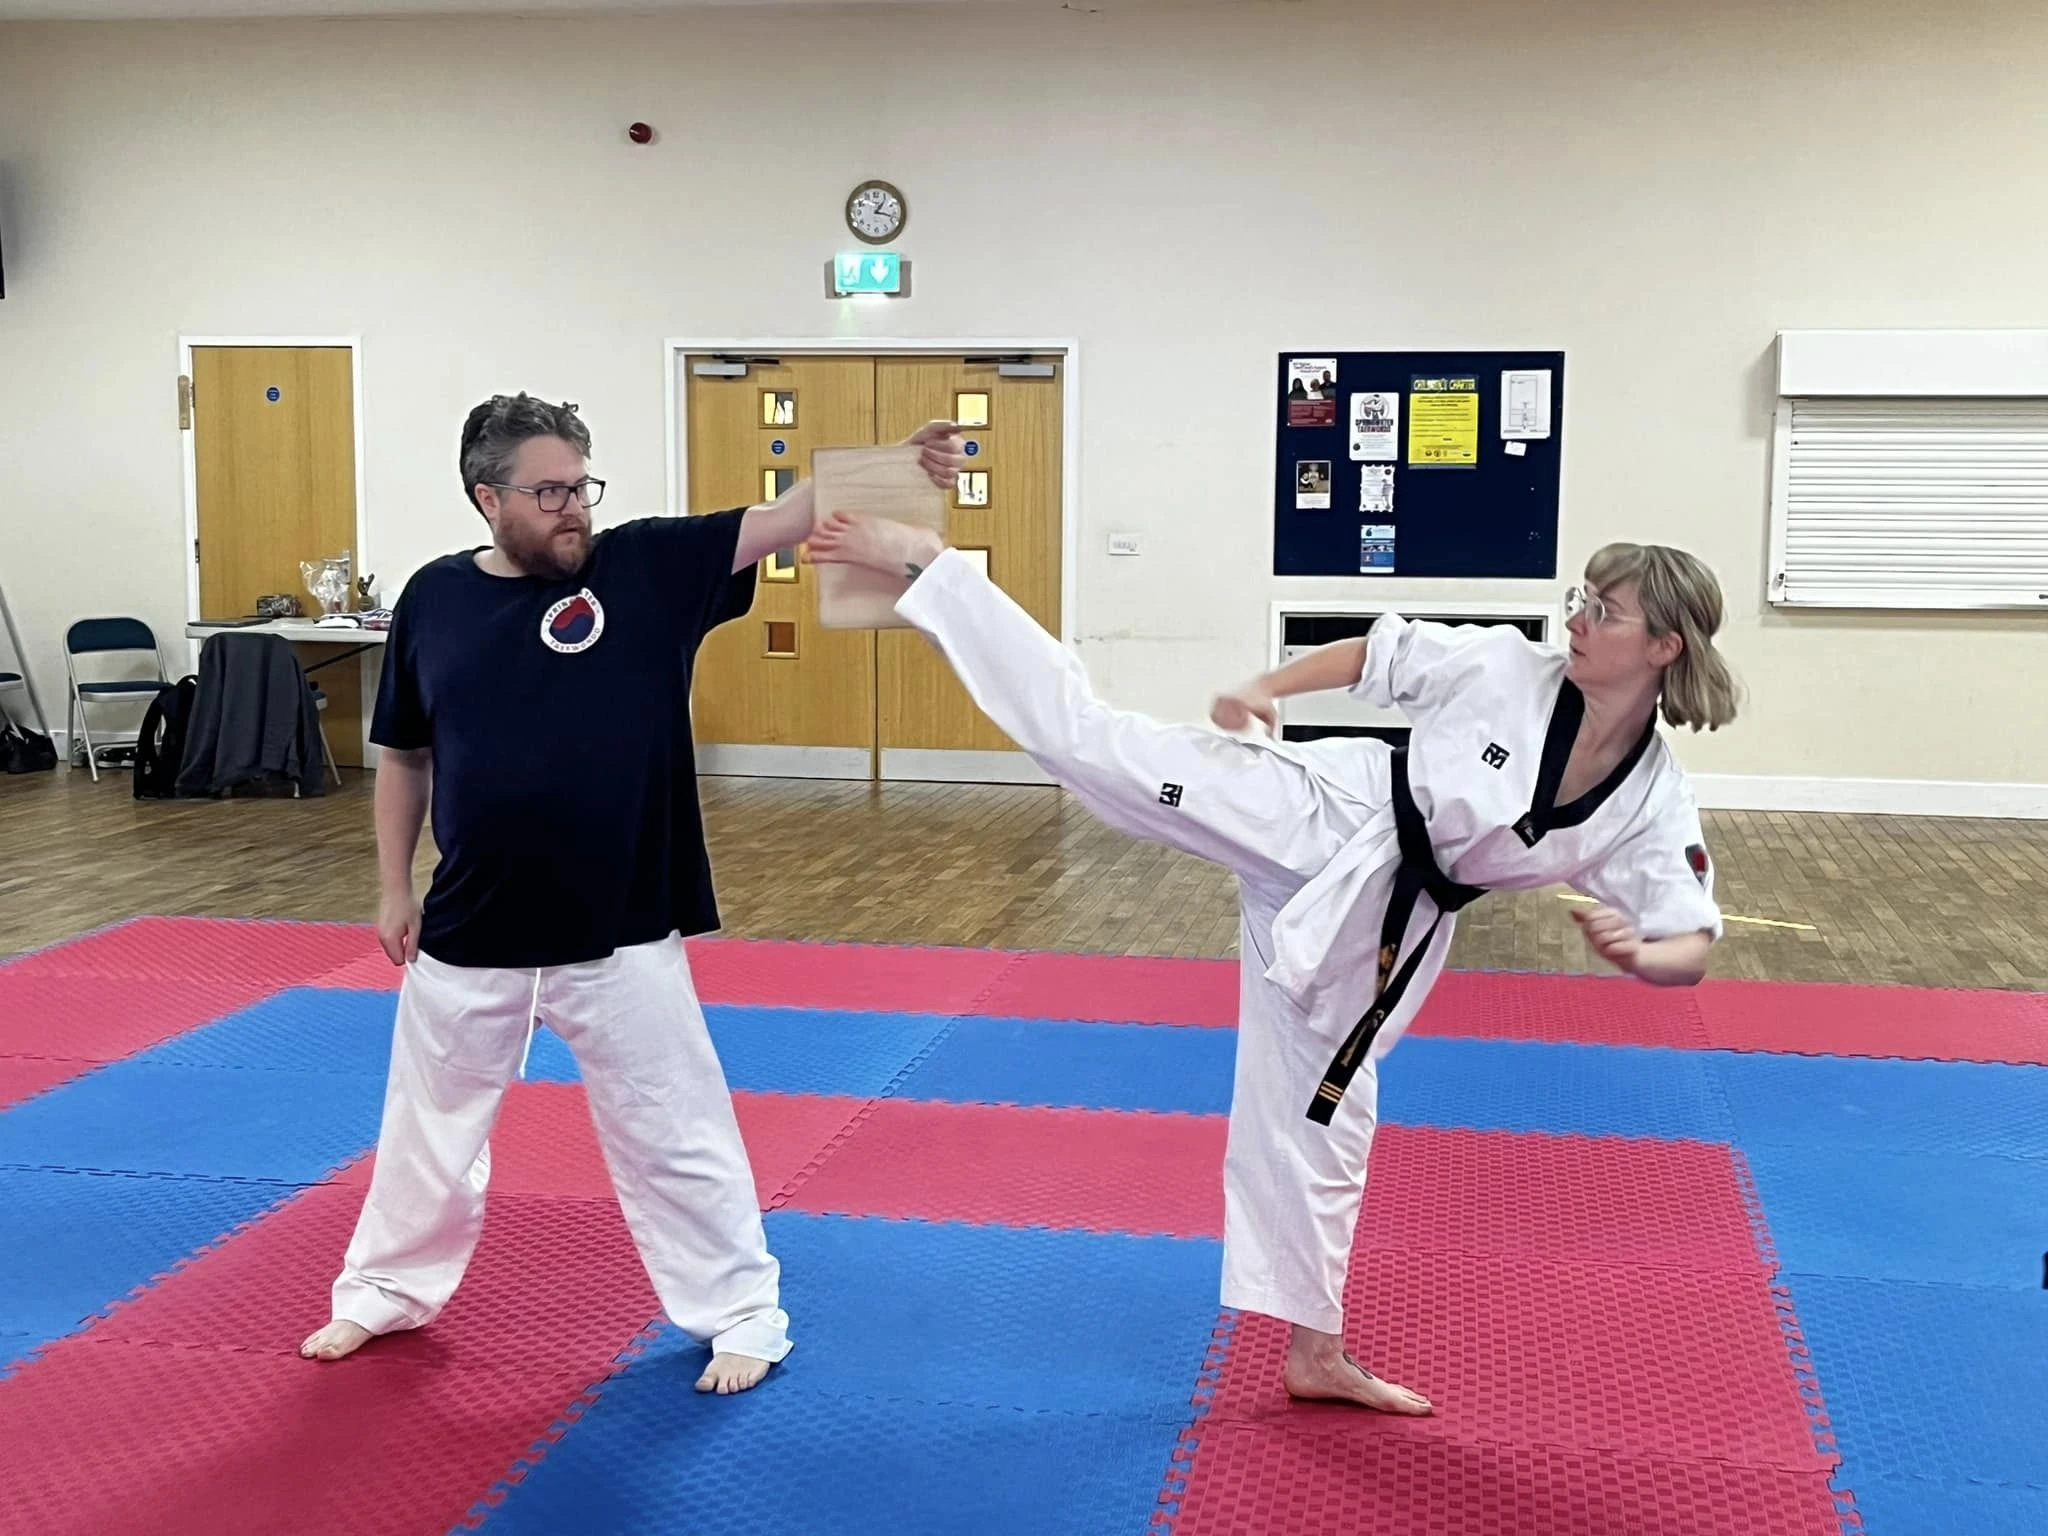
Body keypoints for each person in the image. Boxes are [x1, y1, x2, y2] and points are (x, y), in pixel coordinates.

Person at [806, 504, 1735, 1414]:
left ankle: (1315, 1353)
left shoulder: (1652, 799)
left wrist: (1644, 954)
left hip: (1383, 928)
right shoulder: (1506, 665)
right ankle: (933, 567)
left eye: (1604, 611)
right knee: (1092, 745)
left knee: (1330, 1123)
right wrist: (1268, 688)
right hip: (1322, 812)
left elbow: (1690, 940)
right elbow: (1378, 655)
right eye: (1582, 597)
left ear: (1665, 648)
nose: (1576, 619)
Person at [299, 393, 963, 1393]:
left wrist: (896, 465)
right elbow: (403, 753)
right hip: (471, 920)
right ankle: (384, 1292)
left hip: (620, 925)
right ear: (488, 497)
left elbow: (785, 515)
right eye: (549, 491)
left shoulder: (648, 567)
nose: (574, 509)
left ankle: (739, 1310)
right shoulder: (434, 600)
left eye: (581, 485)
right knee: (426, 1131)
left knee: (673, 1127)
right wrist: (392, 887)